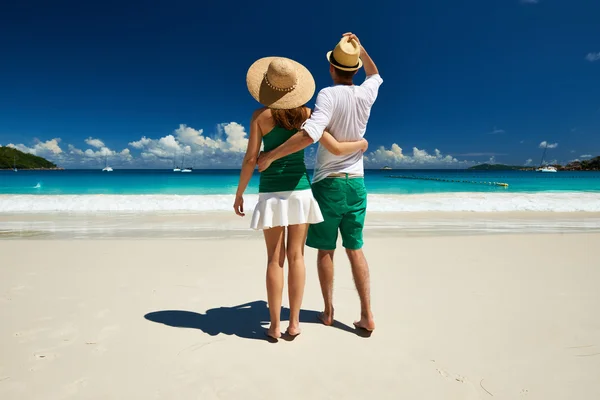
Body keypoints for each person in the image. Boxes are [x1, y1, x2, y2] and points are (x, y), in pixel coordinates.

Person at [234, 56, 368, 340]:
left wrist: (240, 193)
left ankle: (273, 325)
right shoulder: (308, 114)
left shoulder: (260, 117)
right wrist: (361, 144)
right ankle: (294, 323)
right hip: (300, 192)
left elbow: (250, 160)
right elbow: (335, 146)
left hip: (270, 192)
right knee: (297, 257)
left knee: (274, 259)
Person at [257, 33, 383, 332]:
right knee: (355, 248)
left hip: (329, 183)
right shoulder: (367, 93)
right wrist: (360, 49)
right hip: (357, 184)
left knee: (326, 250)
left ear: (331, 68)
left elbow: (310, 134)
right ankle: (367, 314)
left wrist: (271, 155)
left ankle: (328, 312)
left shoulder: (327, 95)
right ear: (354, 69)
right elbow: (375, 74)